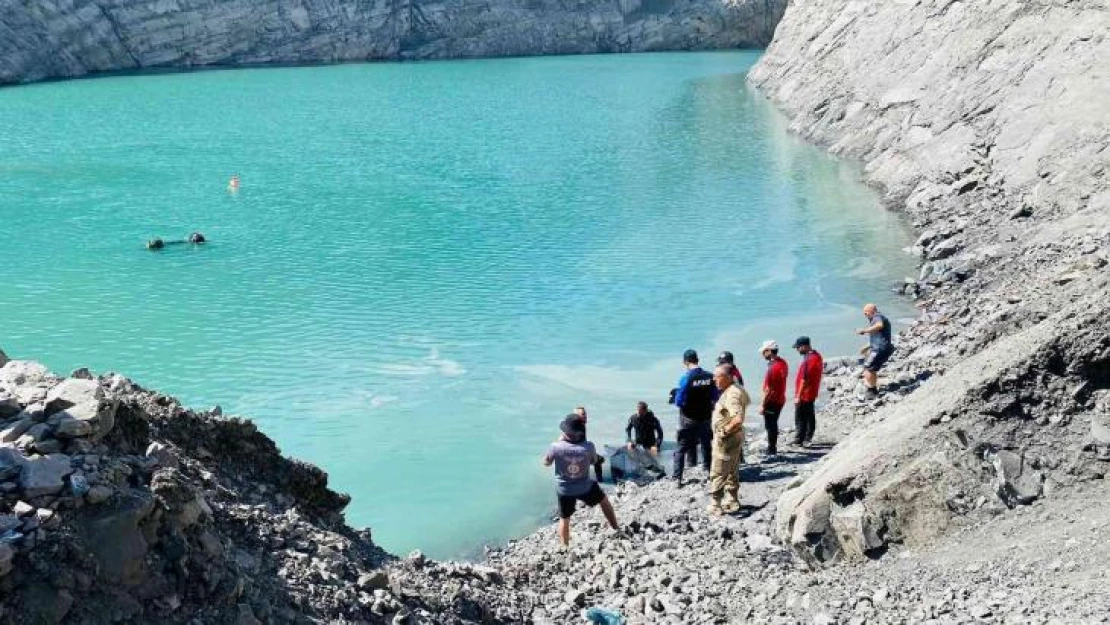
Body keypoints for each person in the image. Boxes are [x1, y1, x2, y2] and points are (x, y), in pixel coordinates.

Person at [543, 415, 619, 546]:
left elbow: (546, 463)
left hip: (564, 489)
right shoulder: (588, 447)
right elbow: (594, 461)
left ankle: (564, 547)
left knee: (564, 518)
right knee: (604, 501)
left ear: (566, 433)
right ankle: (615, 528)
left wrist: (559, 445)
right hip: (585, 487)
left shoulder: (556, 447)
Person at [708, 364, 750, 514]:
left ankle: (715, 504)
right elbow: (730, 412)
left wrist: (724, 431)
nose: (714, 380)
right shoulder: (734, 390)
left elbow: (738, 418)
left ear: (726, 377)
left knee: (719, 470)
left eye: (716, 377)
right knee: (732, 469)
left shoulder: (732, 394)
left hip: (727, 438)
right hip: (735, 436)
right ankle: (732, 500)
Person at [671, 349, 716, 483]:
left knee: (681, 447)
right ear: (698, 360)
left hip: (689, 419)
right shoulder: (710, 376)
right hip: (705, 417)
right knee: (706, 445)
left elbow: (678, 402)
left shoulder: (686, 378)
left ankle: (677, 478)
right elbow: (715, 396)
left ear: (685, 362)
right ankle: (710, 472)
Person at [856, 304, 894, 396]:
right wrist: (866, 347)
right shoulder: (876, 318)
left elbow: (879, 325)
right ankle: (872, 388)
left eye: (866, 313)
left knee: (868, 368)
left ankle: (872, 390)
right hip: (880, 347)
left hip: (880, 349)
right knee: (870, 368)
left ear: (872, 311)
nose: (865, 315)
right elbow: (879, 337)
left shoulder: (877, 316)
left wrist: (864, 330)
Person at [758, 340, 788, 456]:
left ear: (769, 351)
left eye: (764, 352)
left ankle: (771, 449)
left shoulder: (773, 368)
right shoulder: (783, 363)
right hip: (780, 398)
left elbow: (768, 390)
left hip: (772, 401)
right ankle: (772, 447)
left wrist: (762, 405)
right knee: (773, 423)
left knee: (770, 425)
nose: (762, 354)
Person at [792, 336, 823, 447]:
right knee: (809, 415)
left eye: (798, 348)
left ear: (804, 346)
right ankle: (808, 437)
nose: (797, 350)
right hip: (812, 392)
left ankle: (799, 440)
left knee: (800, 417)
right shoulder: (817, 356)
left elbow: (804, 379)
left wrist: (798, 396)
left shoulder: (808, 360)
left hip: (805, 393)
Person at [625, 401, 665, 477]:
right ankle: (638, 471)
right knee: (635, 455)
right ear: (637, 410)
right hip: (639, 443)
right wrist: (629, 440)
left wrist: (658, 444)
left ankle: (660, 471)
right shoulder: (633, 418)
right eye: (639, 412)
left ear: (646, 411)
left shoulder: (653, 419)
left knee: (654, 461)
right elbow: (627, 429)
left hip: (652, 443)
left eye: (642, 412)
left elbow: (660, 433)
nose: (640, 414)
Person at [573, 406, 605, 482]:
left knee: (599, 459)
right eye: (583, 414)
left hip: (581, 452)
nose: (586, 416)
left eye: (585, 414)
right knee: (599, 460)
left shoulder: (580, 425)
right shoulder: (577, 427)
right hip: (578, 454)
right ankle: (600, 481)